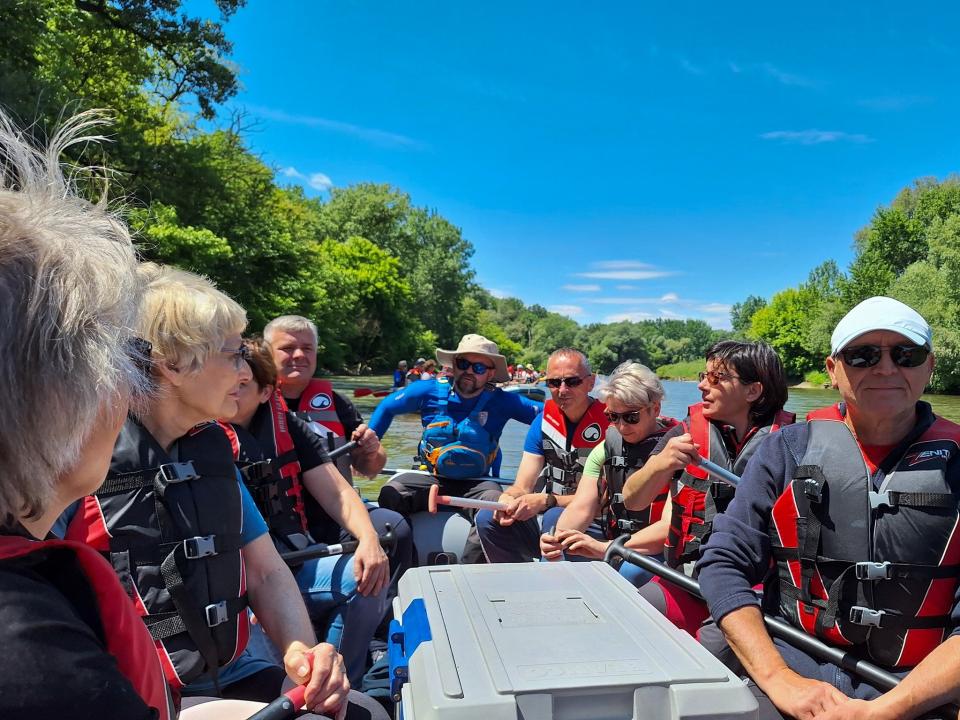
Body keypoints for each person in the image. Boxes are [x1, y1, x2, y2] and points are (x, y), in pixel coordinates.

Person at [64, 264, 357, 716]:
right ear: (173, 363)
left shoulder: (210, 451)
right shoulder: (78, 458)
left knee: (356, 710)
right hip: (127, 689)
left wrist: (303, 655)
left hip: (224, 669)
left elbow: (265, 571)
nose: (245, 373)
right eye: (234, 355)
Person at [698, 297, 960, 720]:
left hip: (916, 690)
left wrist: (889, 709)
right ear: (833, 369)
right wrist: (779, 678)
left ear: (929, 367)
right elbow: (723, 563)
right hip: (792, 664)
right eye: (863, 355)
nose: (886, 368)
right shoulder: (784, 451)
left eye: (905, 354)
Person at [226, 338, 411, 686]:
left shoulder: (287, 426)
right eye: (226, 381)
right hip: (239, 579)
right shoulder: (198, 435)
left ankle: (345, 681)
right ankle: (302, 688)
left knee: (368, 575)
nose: (229, 390)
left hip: (292, 561)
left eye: (242, 384)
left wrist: (368, 540)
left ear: (265, 393)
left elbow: (337, 490)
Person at [622, 340, 792, 636]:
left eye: (716, 378)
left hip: (754, 594)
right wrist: (660, 463)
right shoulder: (685, 433)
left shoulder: (792, 444)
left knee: (717, 646)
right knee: (633, 618)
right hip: (688, 583)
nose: (702, 385)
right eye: (704, 375)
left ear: (753, 391)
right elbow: (632, 500)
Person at [371, 334, 541, 563]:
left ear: (490, 374)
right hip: (430, 477)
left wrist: (540, 454)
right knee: (390, 493)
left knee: (496, 508)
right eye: (463, 363)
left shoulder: (503, 401)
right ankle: (405, 567)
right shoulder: (427, 391)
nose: (469, 371)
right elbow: (386, 407)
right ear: (454, 365)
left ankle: (467, 573)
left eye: (479, 367)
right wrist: (370, 442)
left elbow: (548, 416)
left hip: (478, 483)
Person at [538, 361, 678, 587]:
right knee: (556, 537)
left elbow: (668, 528)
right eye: (613, 417)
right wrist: (557, 541)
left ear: (655, 408)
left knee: (628, 572)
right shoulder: (605, 449)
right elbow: (582, 506)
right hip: (616, 540)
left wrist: (605, 548)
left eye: (631, 417)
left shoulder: (677, 451)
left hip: (658, 550)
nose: (621, 426)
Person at [475, 348, 609, 563]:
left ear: (590, 382)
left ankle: (553, 581)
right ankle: (517, 578)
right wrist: (508, 498)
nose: (562, 390)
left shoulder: (613, 424)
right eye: (554, 383)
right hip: (550, 512)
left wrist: (548, 501)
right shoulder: (542, 423)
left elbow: (604, 502)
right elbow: (522, 486)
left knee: (554, 517)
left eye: (572, 382)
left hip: (597, 523)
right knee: (487, 517)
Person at [264, 315, 387, 483]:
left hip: (338, 499)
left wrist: (371, 451)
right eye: (288, 348)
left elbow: (370, 469)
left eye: (307, 348)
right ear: (267, 354)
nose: (299, 354)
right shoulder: (251, 403)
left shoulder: (339, 403)